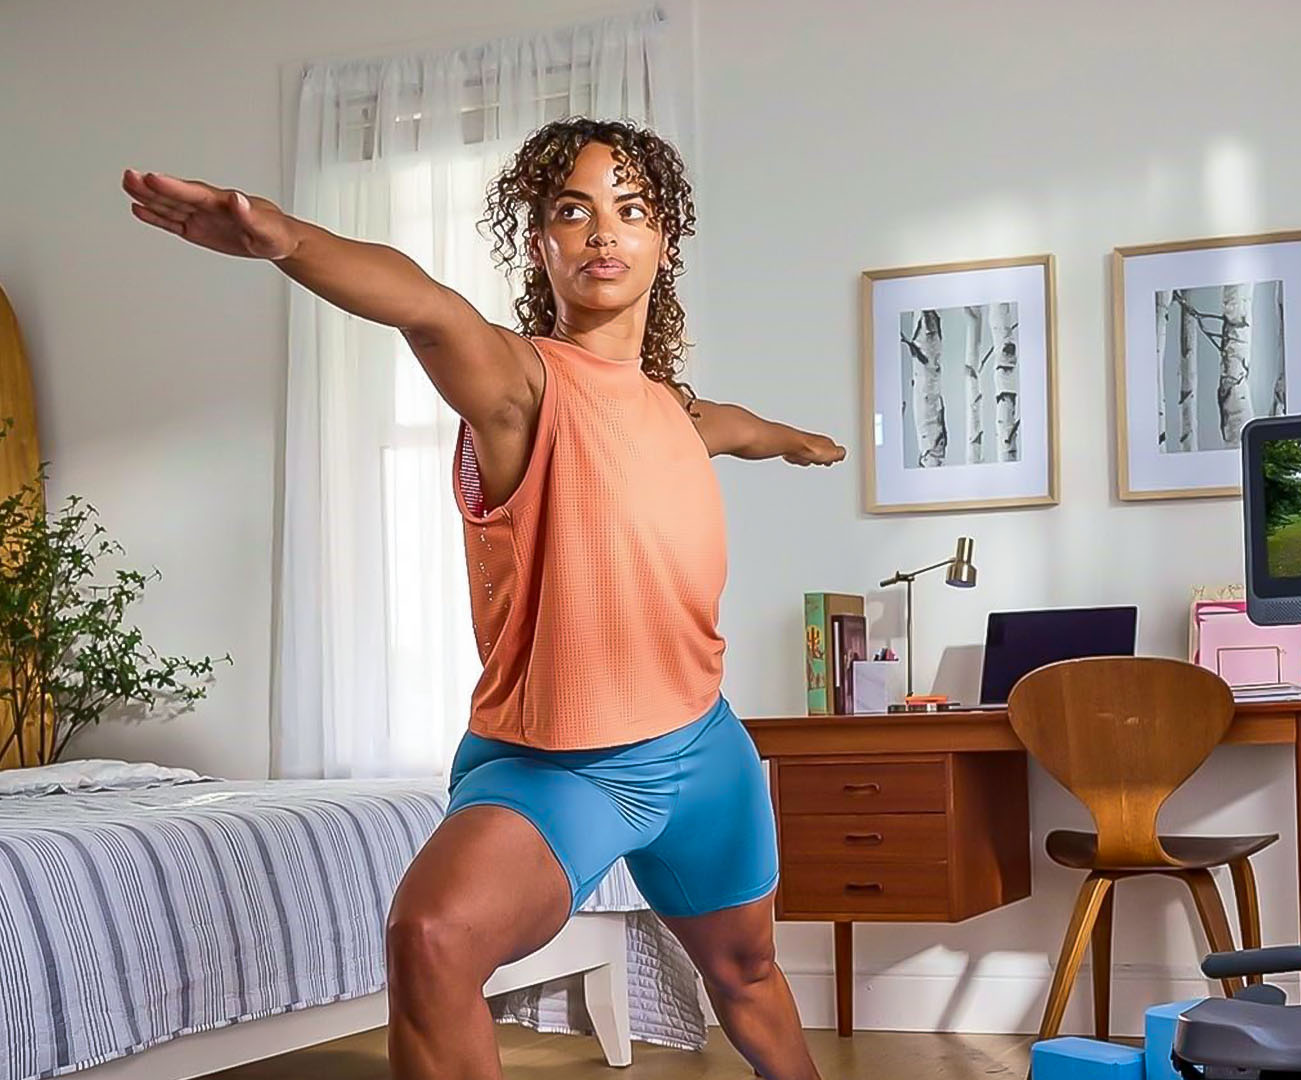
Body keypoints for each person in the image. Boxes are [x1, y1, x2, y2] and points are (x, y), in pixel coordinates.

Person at [124, 118, 838, 1080]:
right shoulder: (520, 387)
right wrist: (286, 238)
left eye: (630, 211)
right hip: (562, 769)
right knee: (431, 937)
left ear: (663, 243)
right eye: (571, 211)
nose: (601, 232)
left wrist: (794, 440)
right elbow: (428, 309)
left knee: (750, 973)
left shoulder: (675, 409)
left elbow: (734, 428)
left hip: (703, 748)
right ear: (538, 242)